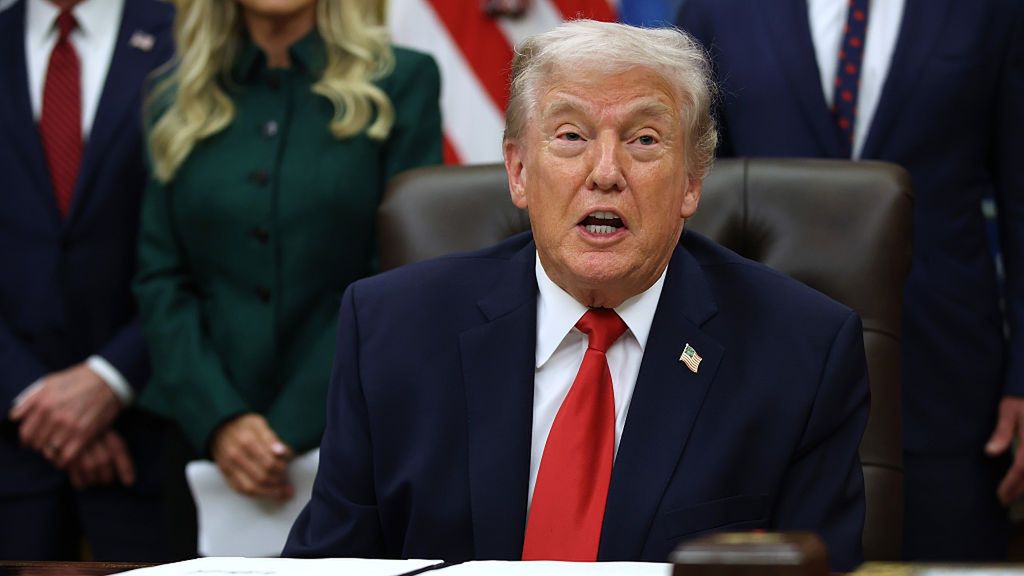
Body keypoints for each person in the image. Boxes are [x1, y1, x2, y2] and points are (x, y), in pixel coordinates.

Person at [283, 20, 869, 572]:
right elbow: (331, 563)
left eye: (644, 139)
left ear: (692, 181)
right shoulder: (391, 331)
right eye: (571, 136)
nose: (605, 171)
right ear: (518, 170)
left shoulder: (800, 353)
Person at [676, 0, 1024, 560]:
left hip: (947, 380)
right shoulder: (718, 9)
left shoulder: (992, 11)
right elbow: (688, 197)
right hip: (756, 374)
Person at [133, 0, 442, 558]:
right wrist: (220, 419)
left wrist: (290, 425)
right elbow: (160, 278)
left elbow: (404, 271)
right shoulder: (174, 96)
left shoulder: (402, 80)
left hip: (354, 435)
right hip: (194, 445)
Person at [0, 0, 174, 561]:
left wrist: (109, 377)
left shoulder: (187, 43)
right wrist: (32, 394)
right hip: (11, 440)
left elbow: (214, 246)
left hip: (153, 433)